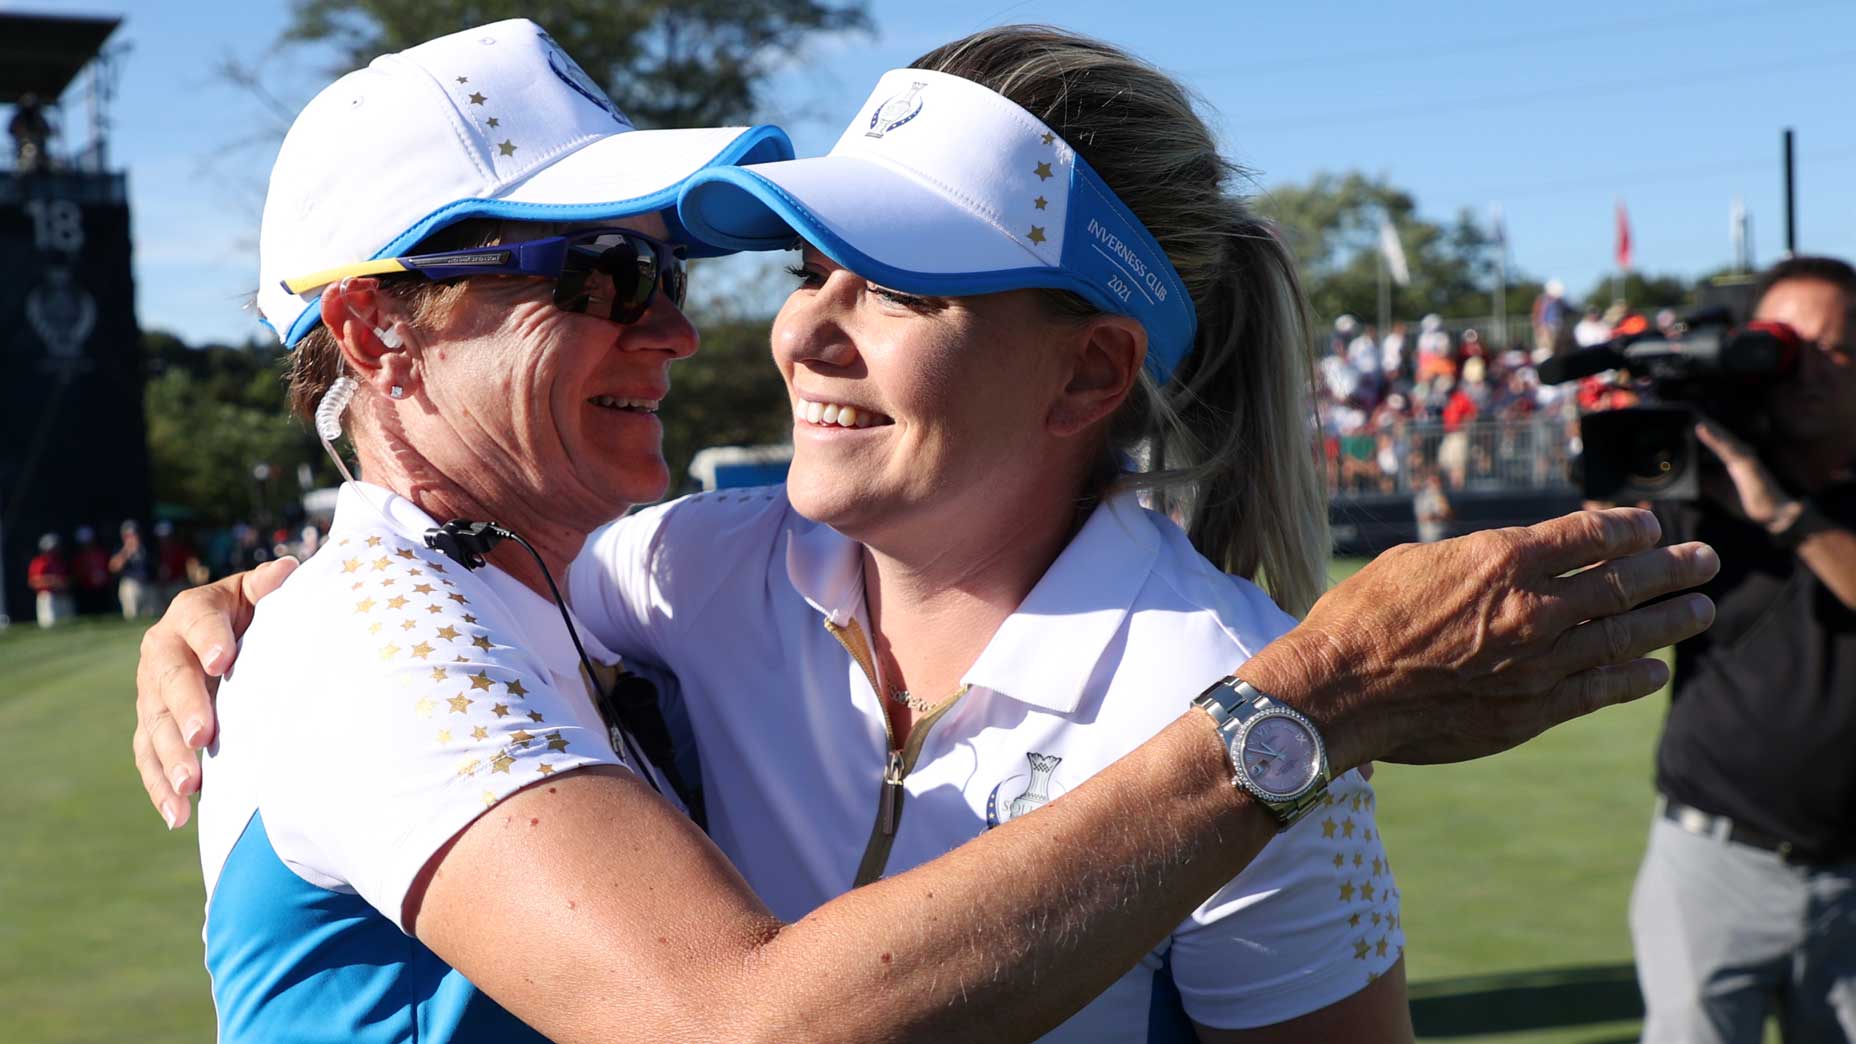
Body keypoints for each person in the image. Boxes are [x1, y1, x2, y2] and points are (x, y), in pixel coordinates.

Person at [129, 21, 1718, 1044]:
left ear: (1094, 368)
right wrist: (283, 605)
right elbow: (728, 1029)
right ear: (373, 334)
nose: (736, 337)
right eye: (599, 279)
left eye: (664, 278)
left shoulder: (636, 580)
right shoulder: (565, 597)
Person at [1628, 255, 1856, 1044]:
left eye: (1835, 348)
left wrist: (1783, 512)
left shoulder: (1765, 491)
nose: (1808, 369)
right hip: (1711, 863)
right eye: (1784, 343)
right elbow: (1594, 588)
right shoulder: (1703, 482)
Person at [110, 520, 156, 620]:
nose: (133, 538)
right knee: (132, 616)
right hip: (130, 585)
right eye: (129, 536)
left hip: (147, 585)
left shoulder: (146, 548)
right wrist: (126, 552)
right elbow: (113, 567)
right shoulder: (120, 549)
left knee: (151, 616)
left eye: (134, 534)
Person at [27, 533, 74, 628]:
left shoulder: (60, 561)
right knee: (50, 625)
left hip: (62, 595)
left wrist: (62, 583)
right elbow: (33, 582)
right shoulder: (39, 562)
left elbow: (68, 579)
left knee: (68, 624)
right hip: (48, 596)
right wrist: (51, 581)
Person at [70, 524, 110, 615]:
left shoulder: (100, 553)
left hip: (102, 589)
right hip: (86, 590)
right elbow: (77, 574)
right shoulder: (78, 558)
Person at [1414, 473, 1453, 544]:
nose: (1436, 484)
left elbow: (1447, 513)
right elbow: (1422, 517)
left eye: (1437, 481)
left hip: (1442, 536)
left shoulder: (1442, 496)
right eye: (1433, 482)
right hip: (1427, 536)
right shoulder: (1422, 497)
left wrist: (1436, 515)